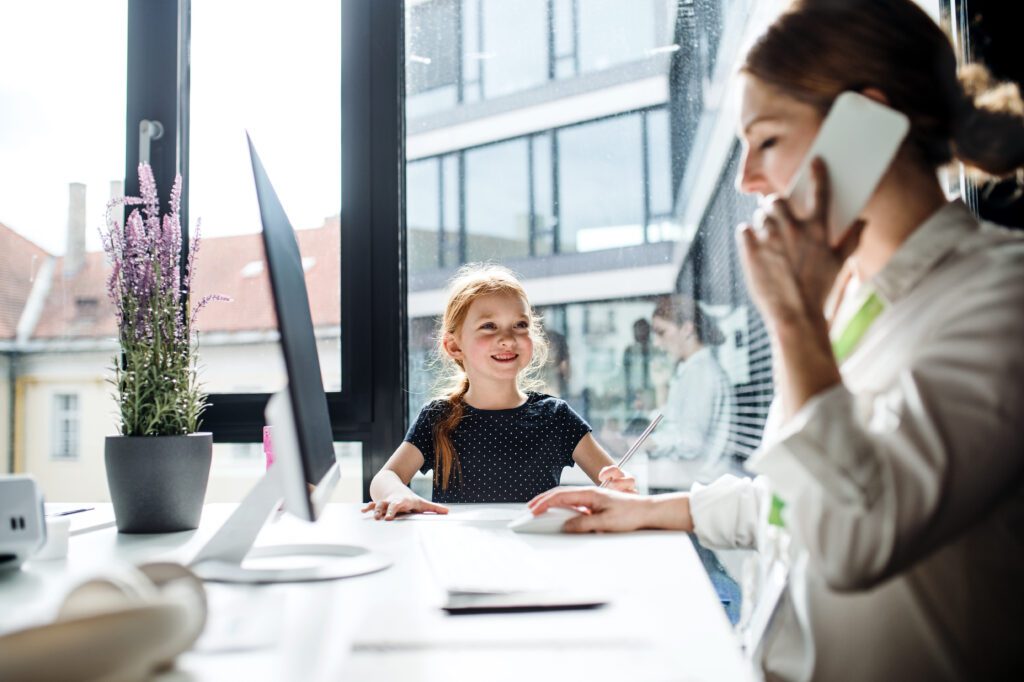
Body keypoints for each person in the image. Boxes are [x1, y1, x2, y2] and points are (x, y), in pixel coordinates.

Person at [529, 0, 1024, 679]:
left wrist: (795, 322)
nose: (746, 181)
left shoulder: (1001, 296)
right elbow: (800, 499)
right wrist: (652, 510)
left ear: (866, 125)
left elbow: (855, 535)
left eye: (765, 141)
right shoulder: (851, 299)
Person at [363, 263, 635, 520]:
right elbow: (384, 479)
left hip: (535, 556)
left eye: (520, 325)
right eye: (489, 326)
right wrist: (398, 494)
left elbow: (612, 481)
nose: (507, 338)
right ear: (455, 346)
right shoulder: (438, 416)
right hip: (460, 557)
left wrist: (618, 490)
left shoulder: (557, 416)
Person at [646, 294, 735, 490]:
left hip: (704, 490)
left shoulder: (700, 373)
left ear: (687, 329)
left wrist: (649, 443)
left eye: (661, 332)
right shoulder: (688, 371)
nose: (657, 343)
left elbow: (691, 443)